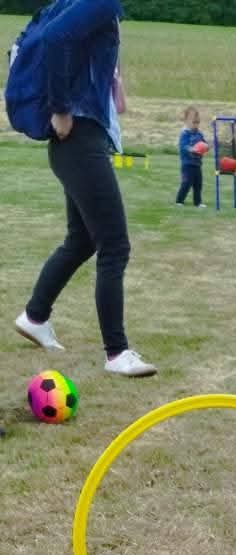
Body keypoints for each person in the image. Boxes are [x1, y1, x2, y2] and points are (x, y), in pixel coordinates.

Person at [14, 0, 156, 378]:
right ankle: (117, 352)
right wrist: (60, 108)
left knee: (82, 240)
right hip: (79, 138)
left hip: (78, 141)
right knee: (114, 244)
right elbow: (55, 37)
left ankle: (34, 316)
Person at [176, 106, 208, 209]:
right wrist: (192, 149)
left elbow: (204, 144)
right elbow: (183, 146)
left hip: (197, 164)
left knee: (198, 184)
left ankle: (197, 202)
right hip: (187, 164)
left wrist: (206, 147)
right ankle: (179, 200)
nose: (196, 125)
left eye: (198, 122)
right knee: (186, 183)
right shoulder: (185, 134)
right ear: (186, 121)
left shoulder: (199, 134)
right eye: (194, 122)